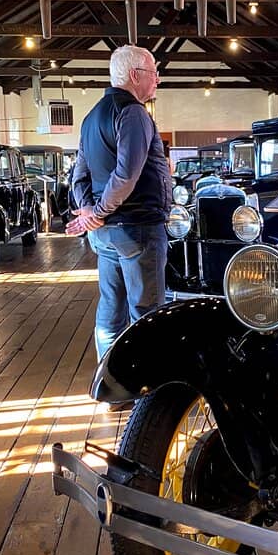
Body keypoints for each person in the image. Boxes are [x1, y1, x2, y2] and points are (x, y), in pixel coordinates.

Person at [68, 45, 171, 360]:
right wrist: (96, 213)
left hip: (106, 236)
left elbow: (78, 176)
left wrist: (89, 212)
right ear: (135, 75)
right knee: (147, 311)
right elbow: (126, 175)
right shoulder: (134, 113)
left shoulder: (90, 118)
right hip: (137, 230)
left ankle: (113, 390)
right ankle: (147, 398)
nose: (157, 81)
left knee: (111, 308)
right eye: (154, 73)